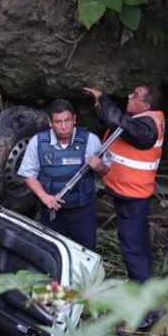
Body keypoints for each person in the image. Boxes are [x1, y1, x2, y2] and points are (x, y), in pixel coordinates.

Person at [84, 84, 165, 284]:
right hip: (129, 194)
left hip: (133, 197)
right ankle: (147, 293)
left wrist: (103, 98)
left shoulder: (147, 128)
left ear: (145, 105)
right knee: (140, 246)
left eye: (135, 95)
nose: (129, 96)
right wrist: (101, 110)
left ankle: (146, 309)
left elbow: (118, 122)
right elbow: (113, 126)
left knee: (133, 250)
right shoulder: (141, 121)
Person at [17, 98, 101, 250]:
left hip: (83, 212)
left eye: (67, 121)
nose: (63, 127)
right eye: (58, 122)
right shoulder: (38, 142)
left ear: (74, 119)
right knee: (52, 254)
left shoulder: (90, 141)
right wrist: (44, 196)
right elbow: (28, 174)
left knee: (86, 253)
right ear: (50, 122)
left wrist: (100, 167)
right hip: (52, 211)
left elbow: (107, 171)